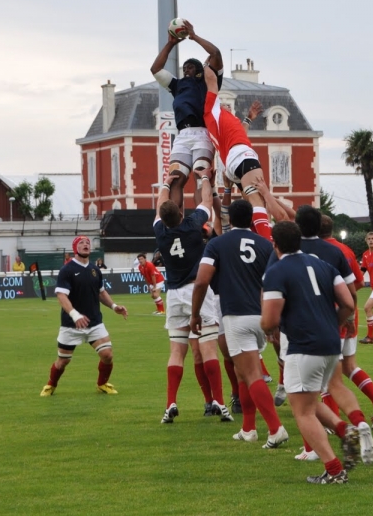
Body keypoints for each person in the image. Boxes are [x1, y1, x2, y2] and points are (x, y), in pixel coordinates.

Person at [261, 221, 362, 484]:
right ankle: (344, 430)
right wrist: (332, 323)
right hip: (331, 345)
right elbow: (349, 303)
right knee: (307, 401)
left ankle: (334, 469)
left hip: (304, 346)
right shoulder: (324, 266)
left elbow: (270, 320)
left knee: (301, 411)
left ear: (275, 244)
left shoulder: (277, 270)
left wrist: (267, 328)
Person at [191, 199, 289, 447]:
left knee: (251, 374)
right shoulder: (266, 245)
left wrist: (194, 314)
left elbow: (202, 281)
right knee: (242, 373)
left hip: (236, 315)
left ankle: (276, 428)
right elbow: (275, 281)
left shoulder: (217, 244)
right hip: (262, 315)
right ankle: (248, 428)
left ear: (230, 219)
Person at [155, 167, 231, 423]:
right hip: (196, 291)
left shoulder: (160, 231)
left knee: (177, 352)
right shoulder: (191, 226)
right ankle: (220, 402)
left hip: (174, 295)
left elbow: (159, 207)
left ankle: (170, 403)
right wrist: (205, 178)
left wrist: (167, 183)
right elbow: (207, 202)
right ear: (179, 212)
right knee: (208, 349)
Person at [319, 216, 373, 426]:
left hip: (331, 317)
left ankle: (334, 422)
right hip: (350, 313)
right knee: (350, 366)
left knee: (328, 375)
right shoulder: (346, 250)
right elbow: (358, 282)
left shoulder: (315, 251)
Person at [39, 236, 127, 396]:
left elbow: (101, 292)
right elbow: (61, 295)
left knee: (107, 355)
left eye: (88, 243)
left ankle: (102, 384)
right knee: (63, 361)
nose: (86, 244)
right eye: (81, 243)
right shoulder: (67, 270)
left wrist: (114, 306)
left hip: (94, 323)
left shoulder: (95, 270)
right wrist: (74, 315)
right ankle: (51, 385)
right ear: (75, 248)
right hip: (71, 325)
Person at [150, 19, 223, 209]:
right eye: (185, 68)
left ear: (200, 70)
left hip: (202, 133)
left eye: (191, 67)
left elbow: (215, 53)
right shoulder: (178, 85)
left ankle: (202, 221)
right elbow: (155, 69)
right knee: (175, 178)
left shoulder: (208, 81)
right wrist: (170, 44)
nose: (187, 70)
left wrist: (194, 36)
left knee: (201, 176)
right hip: (182, 135)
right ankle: (176, 224)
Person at [200, 64, 273, 240]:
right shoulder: (212, 110)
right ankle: (267, 244)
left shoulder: (223, 124)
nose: (226, 105)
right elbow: (211, 80)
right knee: (258, 202)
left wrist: (249, 118)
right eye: (224, 103)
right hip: (241, 155)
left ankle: (255, 237)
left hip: (233, 163)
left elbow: (240, 132)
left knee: (252, 206)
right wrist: (206, 63)